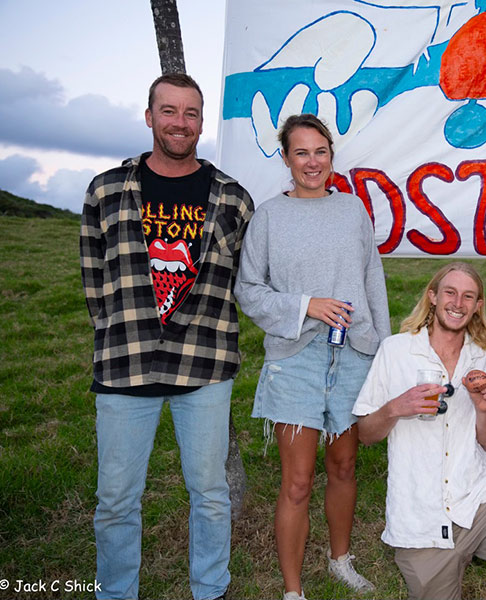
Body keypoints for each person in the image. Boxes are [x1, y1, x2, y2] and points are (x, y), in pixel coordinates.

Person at [80, 73, 254, 600]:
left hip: (203, 365)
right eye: (170, 111)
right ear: (150, 115)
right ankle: (115, 591)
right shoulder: (106, 190)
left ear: (202, 122)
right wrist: (114, 332)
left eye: (192, 113)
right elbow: (93, 277)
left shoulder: (232, 197)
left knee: (209, 493)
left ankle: (210, 588)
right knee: (115, 497)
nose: (181, 123)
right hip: (125, 363)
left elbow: (247, 279)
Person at [234, 114, 390, 599]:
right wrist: (306, 306)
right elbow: (249, 290)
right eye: (301, 153)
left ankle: (340, 560)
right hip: (294, 359)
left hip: (353, 357)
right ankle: (293, 589)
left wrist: (382, 353)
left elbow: (373, 284)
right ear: (285, 159)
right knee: (298, 481)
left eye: (320, 151)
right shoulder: (268, 217)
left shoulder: (352, 211)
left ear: (331, 157)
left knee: (344, 466)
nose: (312, 162)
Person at [354, 262, 486, 600]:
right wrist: (396, 407)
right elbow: (366, 434)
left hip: (476, 495)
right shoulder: (396, 351)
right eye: (450, 293)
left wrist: (482, 410)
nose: (458, 303)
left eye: (468, 297)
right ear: (432, 296)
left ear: (477, 306)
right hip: (419, 514)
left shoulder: (485, 356)